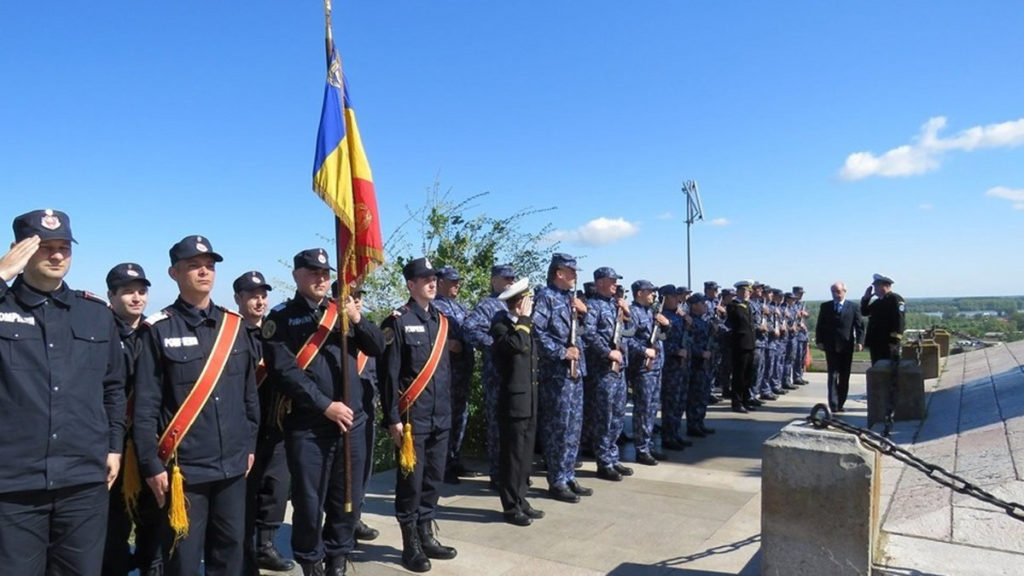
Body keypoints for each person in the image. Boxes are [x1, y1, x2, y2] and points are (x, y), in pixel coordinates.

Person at [0, 209, 126, 576]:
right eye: (45, 247)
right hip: (13, 483)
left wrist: (114, 446)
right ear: (19, 250)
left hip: (83, 481)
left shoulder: (95, 314)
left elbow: (113, 387)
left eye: (64, 247)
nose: (57, 255)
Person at [133, 235, 260, 576]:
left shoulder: (234, 326)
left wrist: (249, 445)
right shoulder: (158, 329)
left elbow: (249, 395)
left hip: (233, 465)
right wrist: (150, 465)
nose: (204, 272)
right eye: (194, 266)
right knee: (183, 559)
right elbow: (145, 406)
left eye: (209, 266)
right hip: (184, 470)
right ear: (174, 273)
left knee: (229, 554)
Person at [380, 257, 457, 573]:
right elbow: (389, 375)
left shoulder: (441, 320)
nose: (432, 282)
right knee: (410, 484)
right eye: (425, 279)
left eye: (434, 278)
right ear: (411, 284)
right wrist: (392, 418)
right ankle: (409, 544)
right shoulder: (397, 321)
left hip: (441, 416)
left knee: (433, 479)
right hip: (412, 420)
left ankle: (426, 534)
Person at [103, 262, 163, 576]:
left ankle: (151, 566)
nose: (137, 298)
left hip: (150, 440)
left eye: (141, 291)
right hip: (111, 442)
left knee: (153, 514)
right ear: (111, 296)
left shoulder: (156, 331)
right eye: (128, 292)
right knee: (114, 519)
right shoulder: (98, 332)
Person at [234, 270, 296, 574]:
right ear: (238, 299)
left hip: (276, 423)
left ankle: (266, 546)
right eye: (252, 296)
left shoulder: (276, 331)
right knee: (246, 494)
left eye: (263, 296)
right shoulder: (230, 334)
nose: (259, 302)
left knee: (276, 488)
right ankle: (245, 551)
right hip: (245, 428)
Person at [533, 253, 591, 502]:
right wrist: (561, 352)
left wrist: (584, 314)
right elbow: (535, 330)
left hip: (575, 372)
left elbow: (584, 334)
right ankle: (556, 480)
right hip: (557, 373)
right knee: (558, 427)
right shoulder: (546, 297)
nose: (575, 276)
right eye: (571, 271)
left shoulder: (571, 299)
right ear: (559, 273)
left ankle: (568, 475)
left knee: (574, 427)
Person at [490, 277, 546, 526]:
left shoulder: (525, 325)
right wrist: (523, 320)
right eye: (527, 299)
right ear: (519, 302)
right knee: (512, 457)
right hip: (513, 402)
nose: (531, 303)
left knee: (524, 455)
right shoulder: (501, 325)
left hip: (529, 399)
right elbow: (517, 347)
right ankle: (511, 506)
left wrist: (525, 321)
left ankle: (521, 499)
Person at [463, 264, 516, 488]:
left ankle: (514, 472)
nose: (510, 282)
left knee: (515, 426)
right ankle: (498, 474)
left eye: (512, 279)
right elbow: (470, 329)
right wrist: (494, 345)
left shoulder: (517, 303)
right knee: (497, 426)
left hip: (518, 375)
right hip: (497, 375)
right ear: (494, 280)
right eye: (506, 278)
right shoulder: (488, 305)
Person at [581, 267, 635, 481]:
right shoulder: (593, 306)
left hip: (619, 370)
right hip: (602, 370)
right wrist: (607, 352)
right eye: (612, 280)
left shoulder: (615, 305)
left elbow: (630, 332)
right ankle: (603, 461)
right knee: (604, 417)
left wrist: (627, 314)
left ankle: (613, 457)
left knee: (618, 416)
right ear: (600, 282)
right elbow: (589, 334)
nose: (615, 284)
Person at [432, 266, 476, 484]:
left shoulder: (460, 307)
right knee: (445, 420)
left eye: (458, 281)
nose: (457, 285)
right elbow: (427, 337)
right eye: (453, 281)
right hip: (445, 376)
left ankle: (454, 458)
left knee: (460, 418)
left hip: (462, 374)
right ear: (440, 282)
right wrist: (447, 344)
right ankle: (443, 465)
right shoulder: (432, 307)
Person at [626, 279, 669, 465]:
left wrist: (666, 325)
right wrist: (644, 350)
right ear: (639, 293)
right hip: (643, 368)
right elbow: (627, 340)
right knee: (643, 409)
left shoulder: (651, 312)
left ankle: (649, 445)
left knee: (652, 408)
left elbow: (661, 336)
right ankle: (641, 449)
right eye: (649, 291)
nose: (653, 295)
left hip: (656, 367)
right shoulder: (633, 313)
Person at [816, 281, 865, 413]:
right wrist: (819, 341)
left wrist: (860, 342)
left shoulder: (853, 307)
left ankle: (840, 402)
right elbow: (820, 325)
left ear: (844, 291)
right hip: (830, 346)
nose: (835, 294)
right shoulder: (826, 306)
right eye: (833, 292)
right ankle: (833, 404)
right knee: (832, 375)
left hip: (846, 346)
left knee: (844, 376)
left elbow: (859, 326)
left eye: (838, 291)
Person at [724, 281, 757, 417]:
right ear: (737, 292)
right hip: (740, 344)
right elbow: (735, 320)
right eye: (743, 291)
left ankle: (745, 400)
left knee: (748, 375)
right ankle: (737, 402)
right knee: (739, 375)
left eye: (747, 291)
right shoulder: (733, 306)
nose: (746, 294)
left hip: (750, 344)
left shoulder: (748, 305)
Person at [860, 274, 906, 364]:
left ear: (886, 286)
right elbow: (864, 312)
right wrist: (866, 299)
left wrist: (894, 342)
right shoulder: (878, 302)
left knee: (888, 368)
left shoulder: (895, 299)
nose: (874, 289)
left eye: (877, 286)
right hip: (876, 343)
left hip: (888, 343)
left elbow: (899, 321)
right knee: (877, 368)